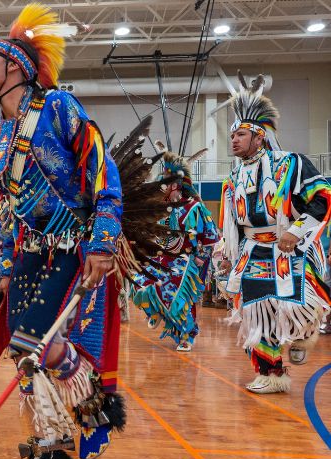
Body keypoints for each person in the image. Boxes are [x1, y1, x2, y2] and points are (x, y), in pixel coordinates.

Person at [0, 4, 125, 459]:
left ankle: (95, 407)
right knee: (25, 354)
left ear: (14, 65)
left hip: (73, 246)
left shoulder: (57, 107)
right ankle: (50, 454)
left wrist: (102, 241)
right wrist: (7, 265)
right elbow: (5, 211)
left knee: (42, 344)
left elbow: (102, 169)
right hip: (31, 253)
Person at [217, 73, 330, 394]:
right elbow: (234, 223)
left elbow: (321, 197)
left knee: (296, 308)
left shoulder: (289, 164)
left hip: (287, 251)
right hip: (253, 252)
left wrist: (297, 231)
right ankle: (272, 374)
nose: (234, 140)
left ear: (259, 136)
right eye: (232, 136)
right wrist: (229, 254)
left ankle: (301, 335)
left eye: (240, 134)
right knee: (256, 317)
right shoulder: (234, 178)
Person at [132, 146, 220, 351]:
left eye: (165, 180)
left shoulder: (194, 208)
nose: (161, 184)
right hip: (163, 259)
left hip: (185, 260)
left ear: (176, 184)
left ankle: (186, 336)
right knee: (140, 282)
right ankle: (156, 311)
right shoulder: (162, 208)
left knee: (178, 297)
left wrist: (200, 258)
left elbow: (211, 235)